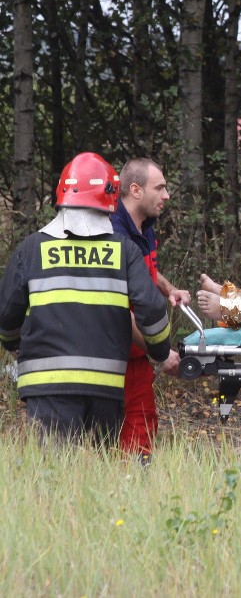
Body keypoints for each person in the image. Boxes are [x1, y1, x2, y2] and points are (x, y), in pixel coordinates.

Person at [0, 152, 172, 445]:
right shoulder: (124, 250)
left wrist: (15, 345)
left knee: (54, 474)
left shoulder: (31, 249)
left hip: (46, 386)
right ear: (112, 197)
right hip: (106, 386)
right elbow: (152, 311)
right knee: (100, 474)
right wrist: (160, 351)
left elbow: (6, 316)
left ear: (62, 193)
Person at [111, 158, 191, 461]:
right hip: (118, 356)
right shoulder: (114, 235)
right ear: (135, 190)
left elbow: (147, 273)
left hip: (138, 358)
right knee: (120, 434)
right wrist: (161, 351)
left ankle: (135, 493)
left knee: (143, 425)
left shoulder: (144, 228)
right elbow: (118, 307)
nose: (167, 195)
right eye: (160, 187)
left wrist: (170, 290)